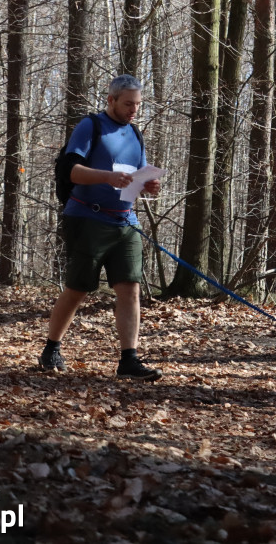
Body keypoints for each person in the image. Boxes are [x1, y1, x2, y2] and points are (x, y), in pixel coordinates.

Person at [38, 74, 163, 380]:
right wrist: (106, 177)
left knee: (130, 289)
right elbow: (72, 171)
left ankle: (128, 360)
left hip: (126, 222)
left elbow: (136, 174)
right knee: (78, 288)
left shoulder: (135, 133)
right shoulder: (90, 126)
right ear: (111, 100)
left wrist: (148, 185)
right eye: (128, 104)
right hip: (87, 218)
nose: (134, 110)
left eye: (138, 104)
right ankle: (51, 348)